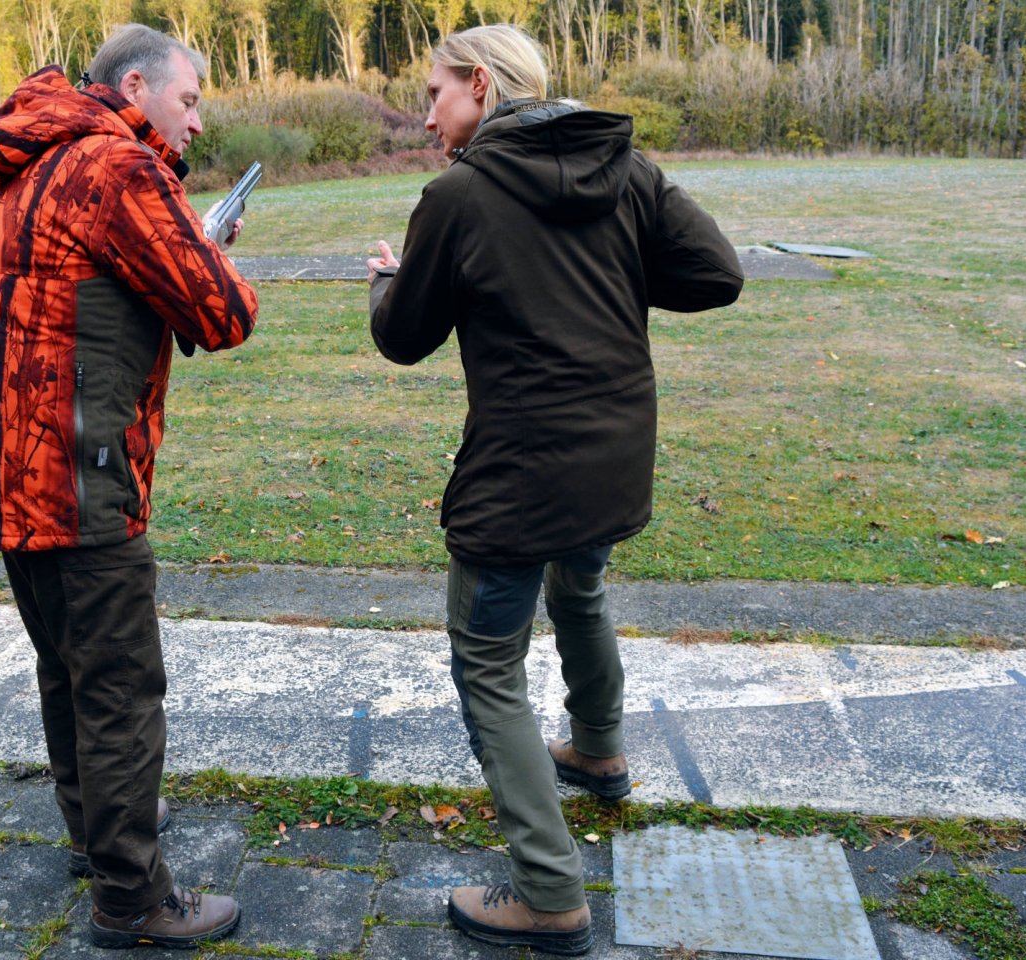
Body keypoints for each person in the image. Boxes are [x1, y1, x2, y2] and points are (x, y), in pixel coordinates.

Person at [367, 24, 743, 956]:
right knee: (581, 591)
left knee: (487, 665)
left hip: (519, 473)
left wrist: (386, 284)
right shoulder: (630, 170)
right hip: (611, 454)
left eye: (436, 93)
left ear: (484, 89)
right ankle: (598, 749)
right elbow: (713, 269)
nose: (427, 113)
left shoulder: (457, 195)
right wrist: (608, 279)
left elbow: (402, 336)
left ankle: (547, 892)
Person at [0, 23, 257, 949]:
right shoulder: (115, 168)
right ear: (136, 85)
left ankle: (98, 835)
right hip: (76, 468)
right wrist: (213, 254)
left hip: (6, 463)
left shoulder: (30, 157)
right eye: (190, 99)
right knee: (120, 684)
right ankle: (132, 899)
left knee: (67, 666)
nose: (197, 122)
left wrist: (186, 240)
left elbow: (82, 285)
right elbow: (222, 312)